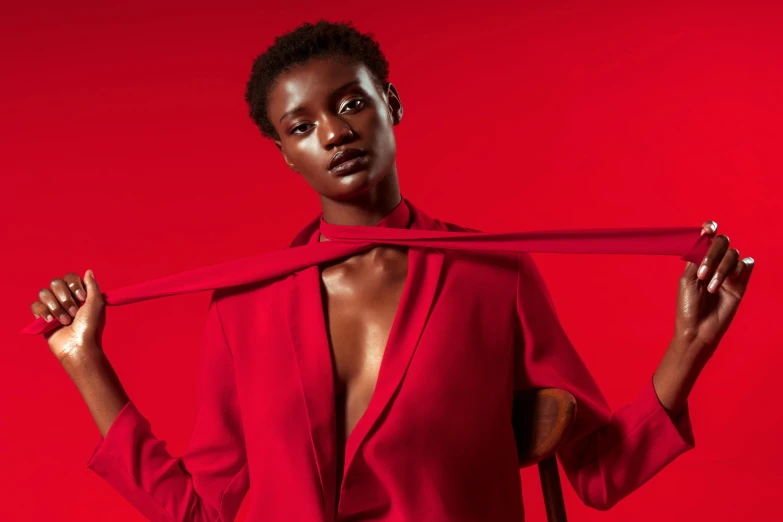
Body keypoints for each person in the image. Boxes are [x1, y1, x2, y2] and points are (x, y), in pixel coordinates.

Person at [28, 20, 754, 522]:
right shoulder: (242, 305)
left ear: (390, 105)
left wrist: (689, 347)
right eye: (301, 126)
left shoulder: (490, 276)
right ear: (283, 153)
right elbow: (201, 509)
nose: (335, 133)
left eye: (351, 104)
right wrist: (87, 364)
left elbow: (596, 475)